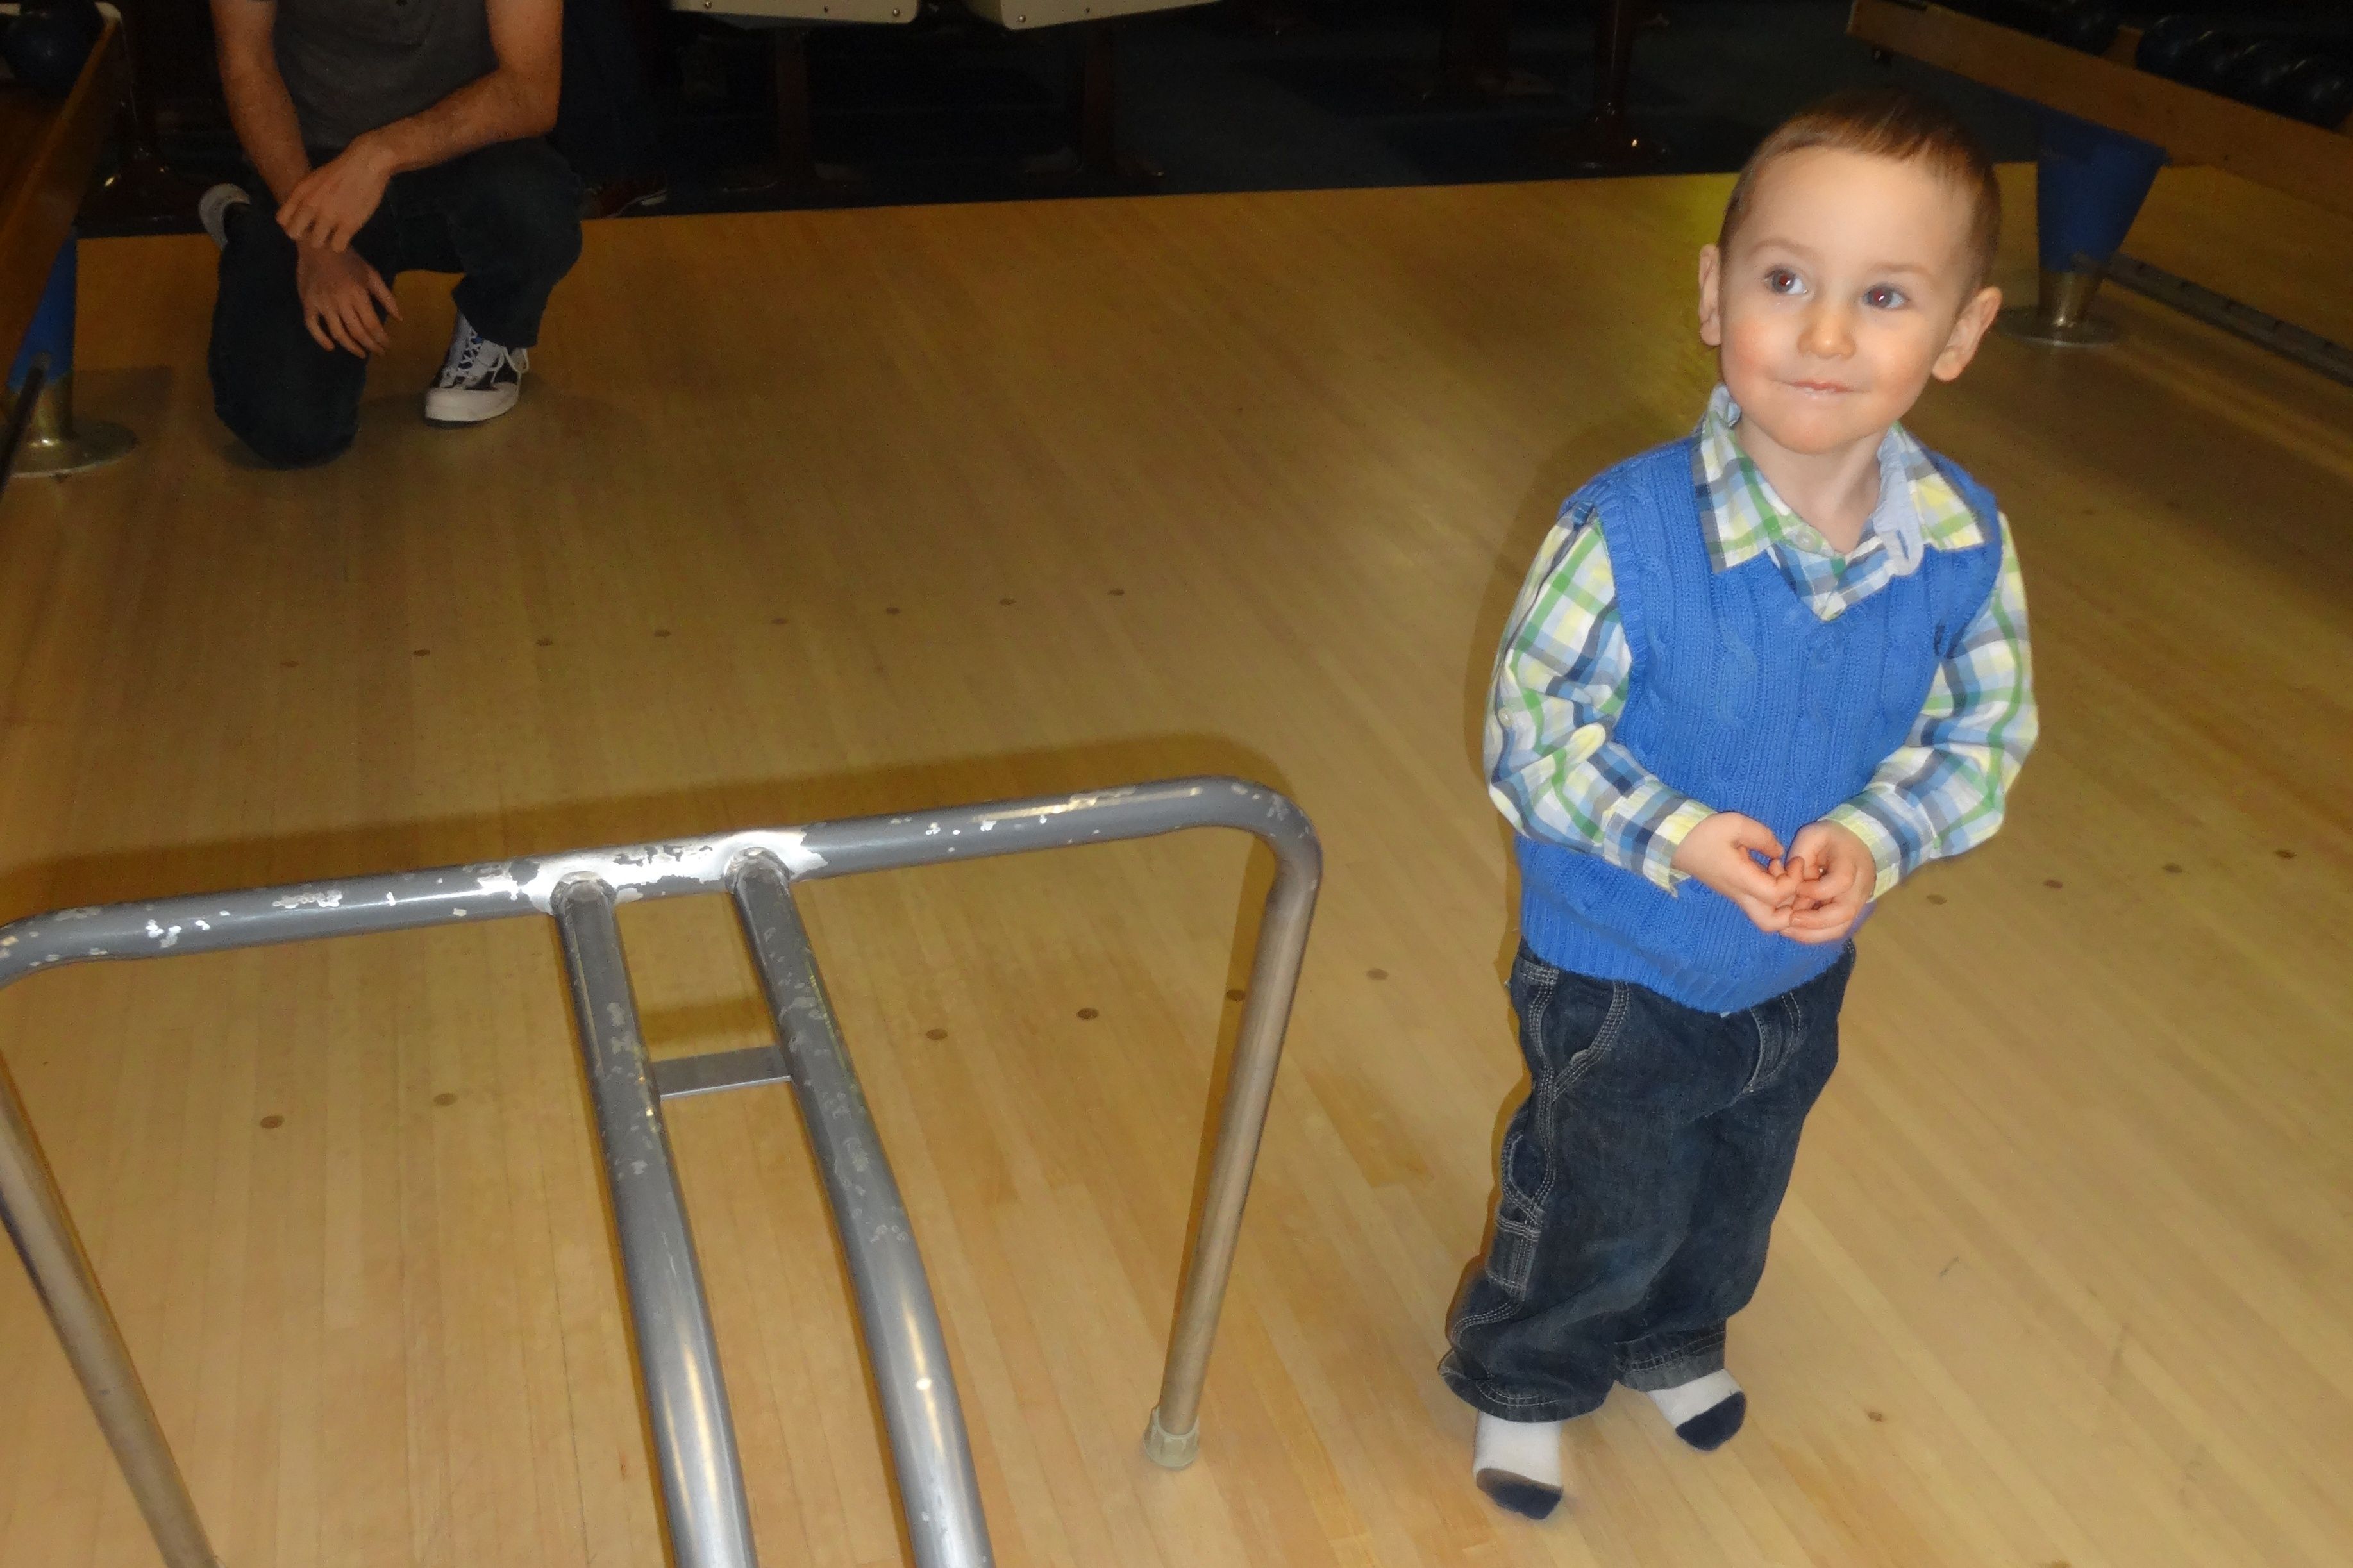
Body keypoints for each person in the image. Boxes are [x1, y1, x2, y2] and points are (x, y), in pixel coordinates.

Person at [1442, 87, 2038, 1520]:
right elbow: (1531, 738)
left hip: (1796, 967)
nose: (1825, 334)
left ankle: (1673, 1334)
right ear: (1714, 295)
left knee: (1738, 1176)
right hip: (1619, 965)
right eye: (1785, 280)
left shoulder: (1959, 539)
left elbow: (1982, 734)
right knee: (1598, 1188)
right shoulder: (1624, 528)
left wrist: (1875, 837)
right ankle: (1528, 1373)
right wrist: (1680, 836)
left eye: (1883, 296)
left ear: (1960, 333)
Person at [201, 0, 584, 465]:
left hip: (466, 152)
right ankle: (250, 225)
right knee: (288, 429)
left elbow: (531, 89)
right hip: (316, 171)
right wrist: (313, 241)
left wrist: (381, 155)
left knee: (533, 207)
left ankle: (494, 328)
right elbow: (247, 62)